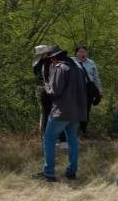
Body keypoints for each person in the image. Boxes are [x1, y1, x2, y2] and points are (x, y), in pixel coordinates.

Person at [35, 45, 89, 181]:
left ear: (54, 58)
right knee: (73, 140)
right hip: (77, 111)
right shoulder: (78, 67)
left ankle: (49, 173)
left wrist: (46, 86)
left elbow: (55, 91)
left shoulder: (60, 68)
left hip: (62, 111)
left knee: (48, 138)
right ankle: (71, 172)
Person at [33, 45, 67, 147]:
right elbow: (48, 80)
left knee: (45, 115)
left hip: (42, 90)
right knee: (49, 115)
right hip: (46, 91)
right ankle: (50, 139)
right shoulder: (44, 64)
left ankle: (47, 138)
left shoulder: (37, 63)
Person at [71, 45, 103, 137]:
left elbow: (96, 77)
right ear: (76, 53)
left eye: (84, 52)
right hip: (76, 88)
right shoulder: (72, 61)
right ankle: (73, 130)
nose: (82, 54)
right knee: (75, 109)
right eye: (80, 52)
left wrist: (100, 90)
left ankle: (83, 130)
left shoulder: (91, 63)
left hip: (89, 88)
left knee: (86, 110)